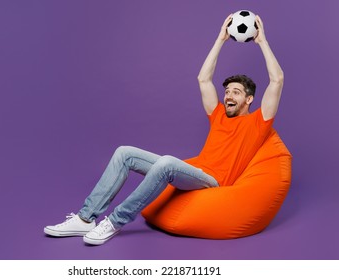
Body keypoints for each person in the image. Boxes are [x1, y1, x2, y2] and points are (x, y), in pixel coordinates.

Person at [44, 14, 284, 246]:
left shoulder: (258, 122)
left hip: (213, 181)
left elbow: (277, 80)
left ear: (250, 99)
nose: (229, 95)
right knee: (124, 152)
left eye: (236, 92)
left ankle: (115, 221)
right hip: (193, 172)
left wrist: (262, 41)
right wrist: (220, 40)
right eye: (228, 91)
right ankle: (85, 218)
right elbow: (203, 79)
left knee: (167, 162)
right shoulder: (219, 114)